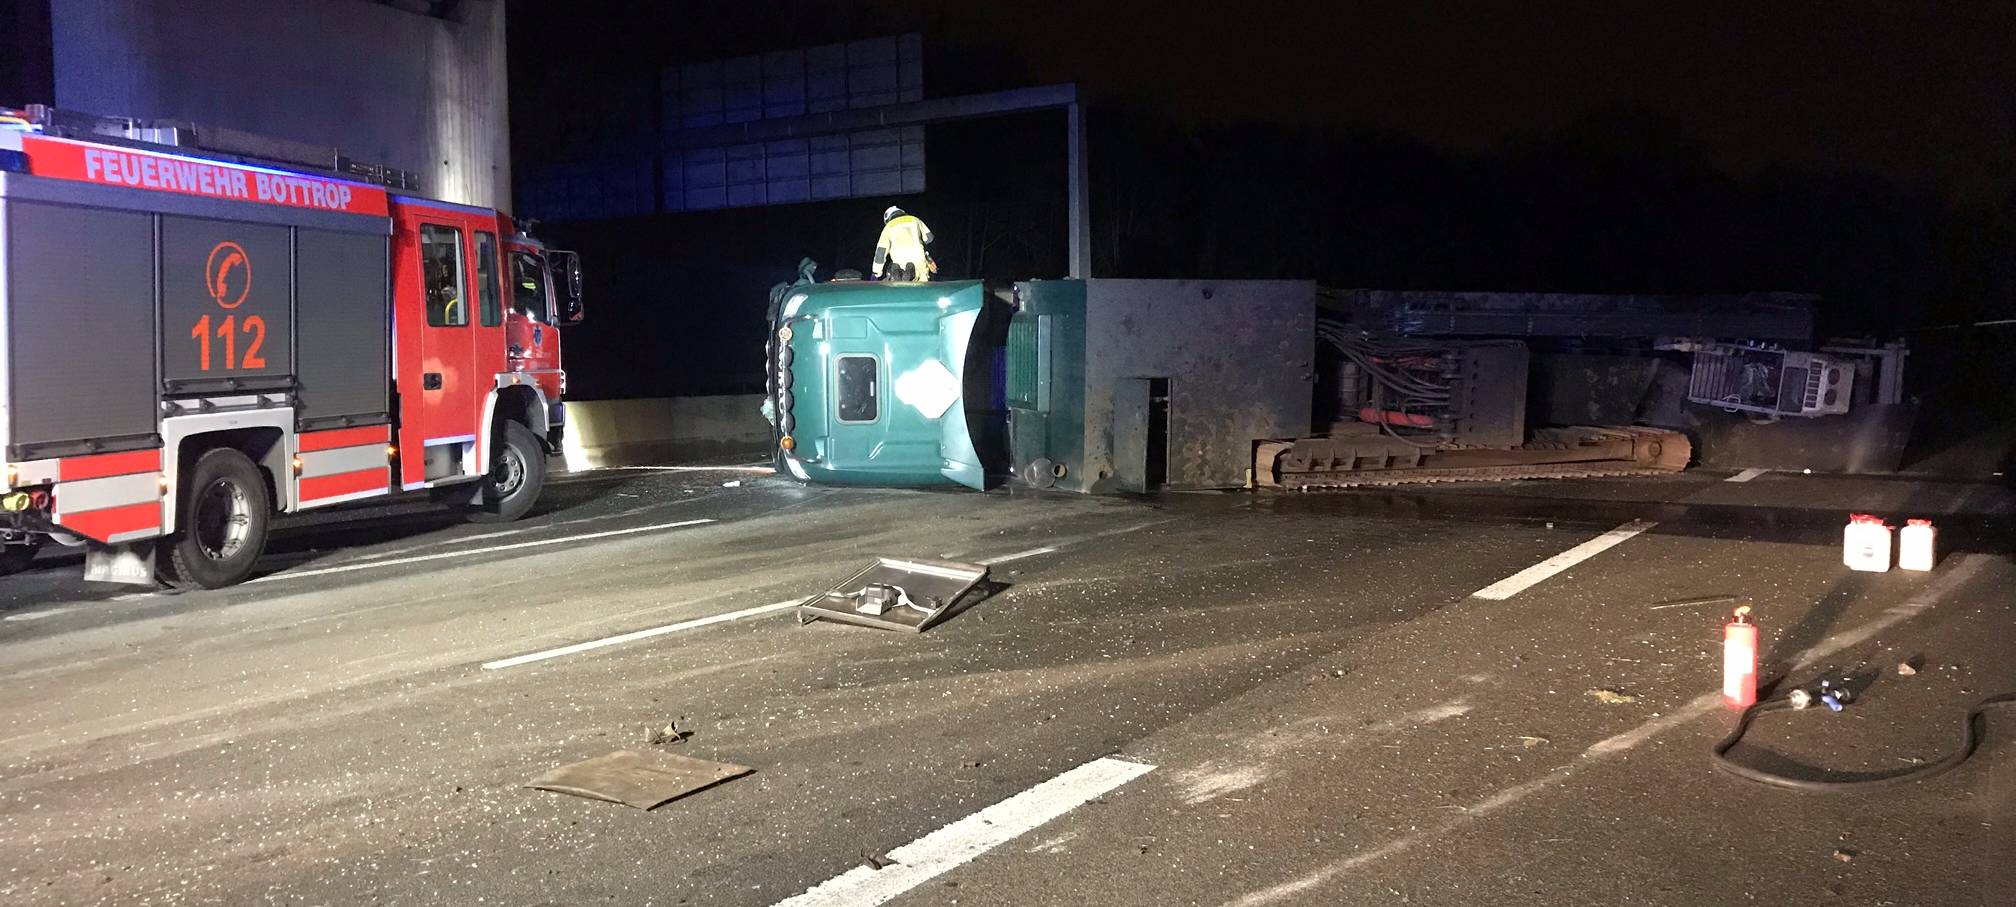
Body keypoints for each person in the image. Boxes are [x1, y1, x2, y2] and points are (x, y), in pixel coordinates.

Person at [872, 206, 935, 281]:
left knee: (899, 282)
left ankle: (897, 272)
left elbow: (881, 252)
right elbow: (929, 238)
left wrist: (876, 273)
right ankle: (914, 273)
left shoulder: (888, 227)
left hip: (899, 258)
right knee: (921, 276)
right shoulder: (915, 219)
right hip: (917, 255)